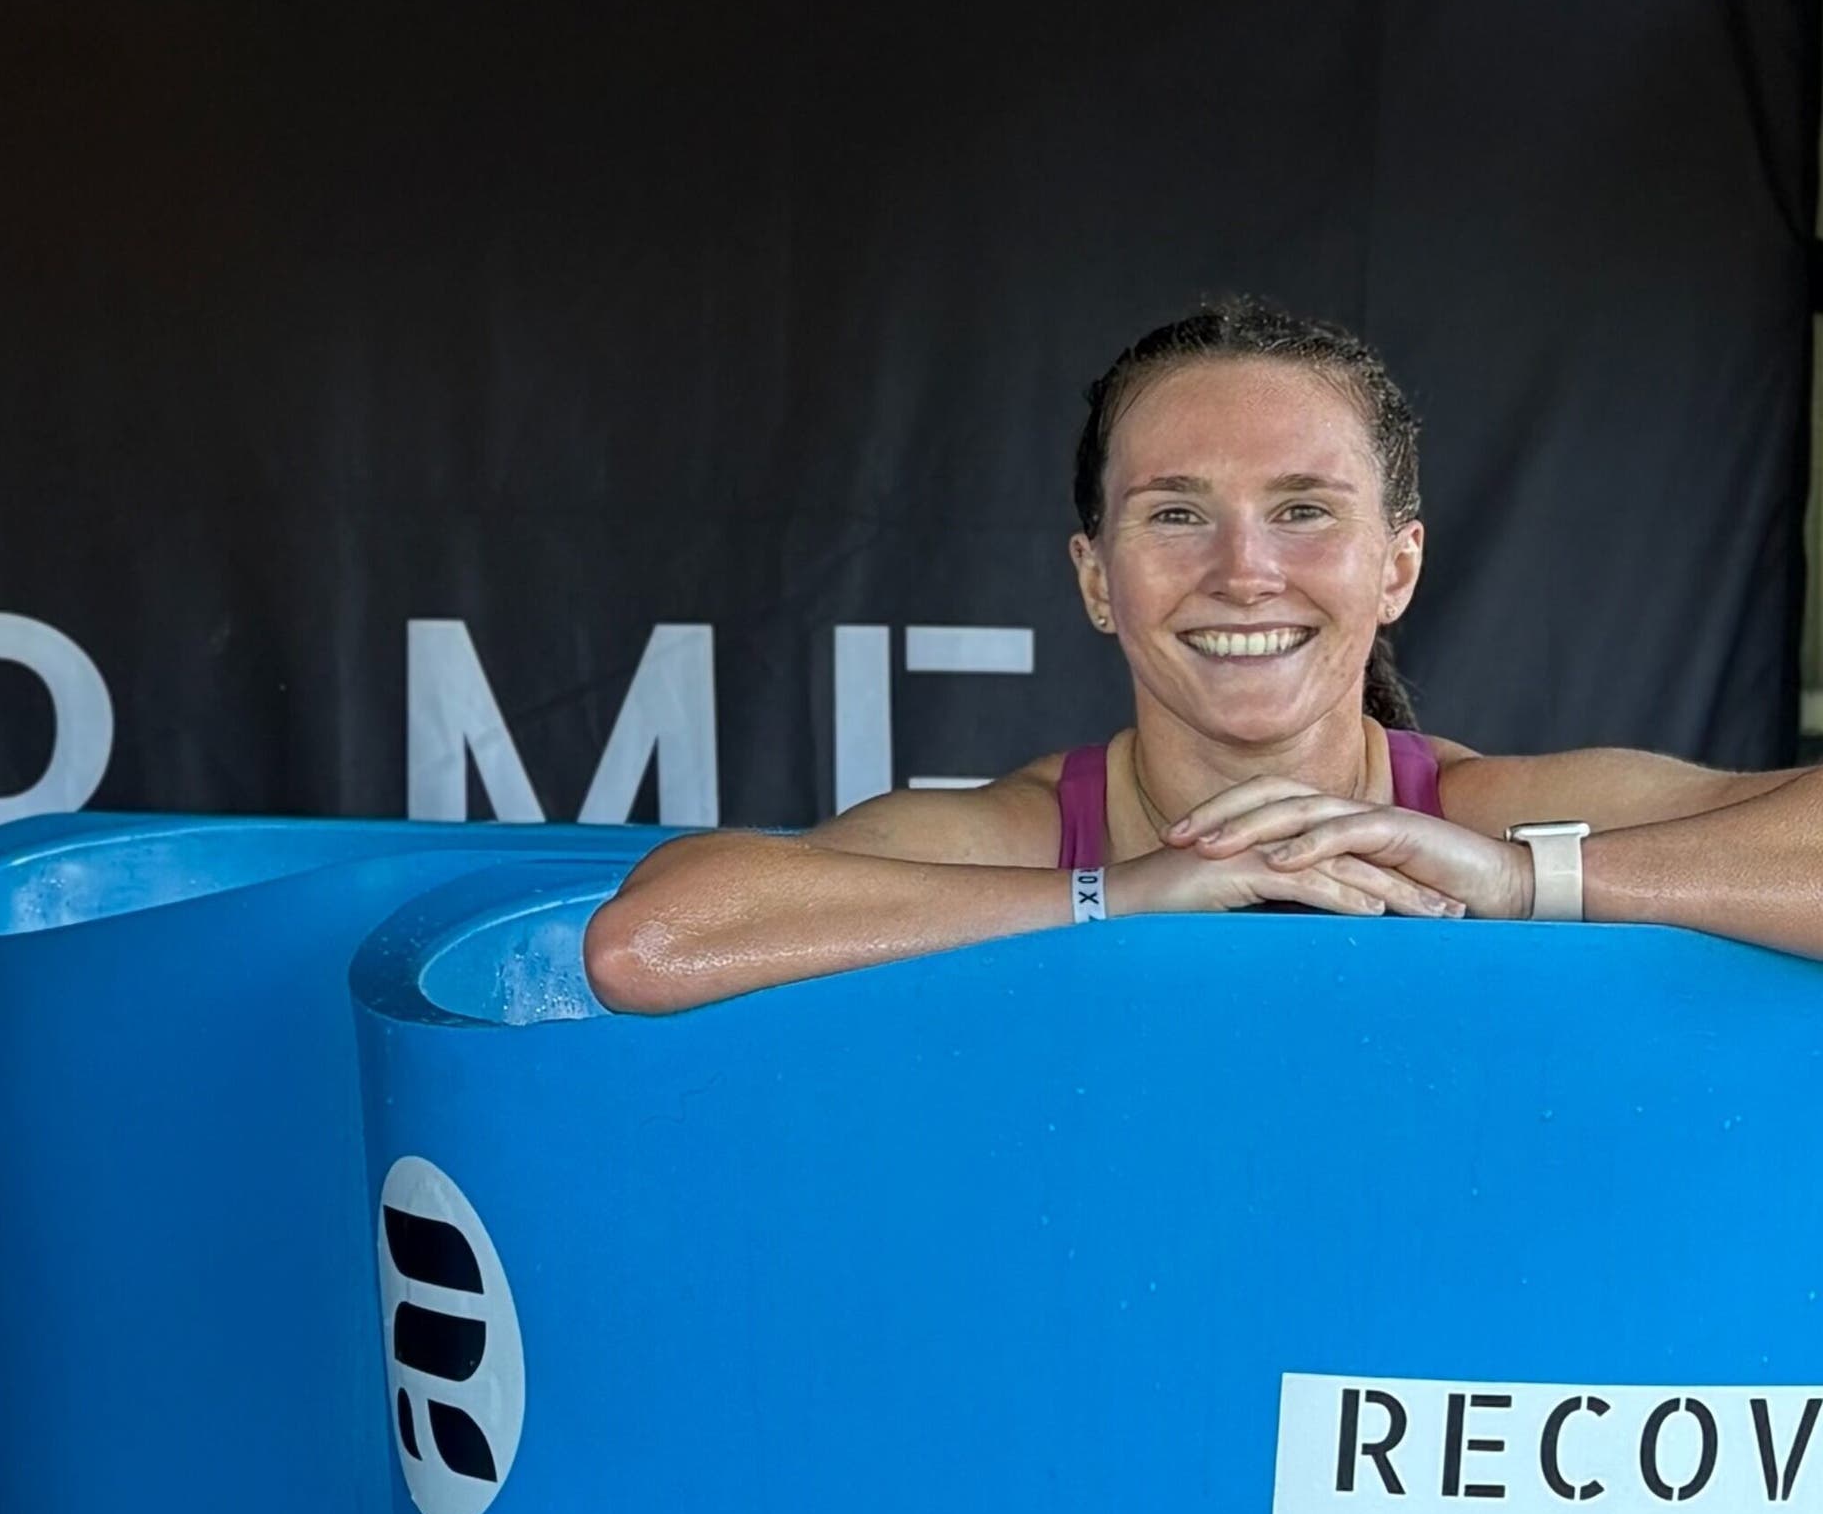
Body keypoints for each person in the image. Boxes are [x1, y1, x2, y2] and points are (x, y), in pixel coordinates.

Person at [584, 297, 1823, 1014]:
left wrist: (1518, 883)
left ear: (1395, 567)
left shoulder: (1495, 815)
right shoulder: (1028, 841)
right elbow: (650, 944)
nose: (1243, 572)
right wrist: (1122, 898)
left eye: (1304, 511)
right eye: (1176, 513)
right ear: (1096, 581)